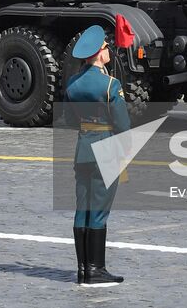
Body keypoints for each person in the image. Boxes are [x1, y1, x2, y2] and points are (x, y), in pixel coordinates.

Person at [64, 24, 129, 286]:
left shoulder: (72, 84)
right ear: (99, 53)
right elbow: (123, 125)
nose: (110, 52)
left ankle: (82, 269)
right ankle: (96, 269)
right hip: (106, 149)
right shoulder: (110, 84)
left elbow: (69, 120)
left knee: (83, 209)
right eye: (107, 48)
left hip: (83, 150)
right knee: (99, 212)